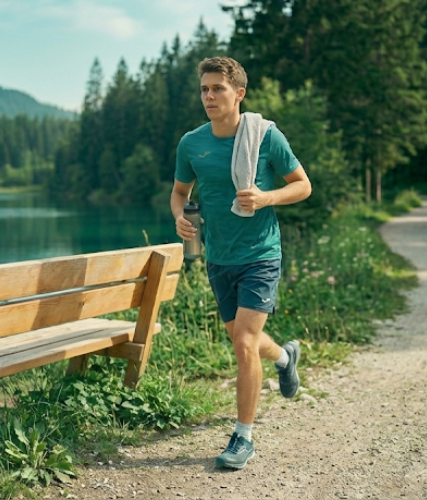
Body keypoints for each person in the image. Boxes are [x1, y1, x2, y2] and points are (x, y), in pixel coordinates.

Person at [170, 56, 312, 470]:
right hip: (218, 256)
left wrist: (267, 197)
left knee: (244, 343)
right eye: (204, 89)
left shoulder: (265, 137)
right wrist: (179, 216)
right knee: (240, 337)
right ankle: (285, 358)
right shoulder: (191, 144)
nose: (209, 96)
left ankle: (243, 437)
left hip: (260, 254)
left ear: (239, 93)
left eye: (218, 88)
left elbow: (303, 185)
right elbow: (180, 192)